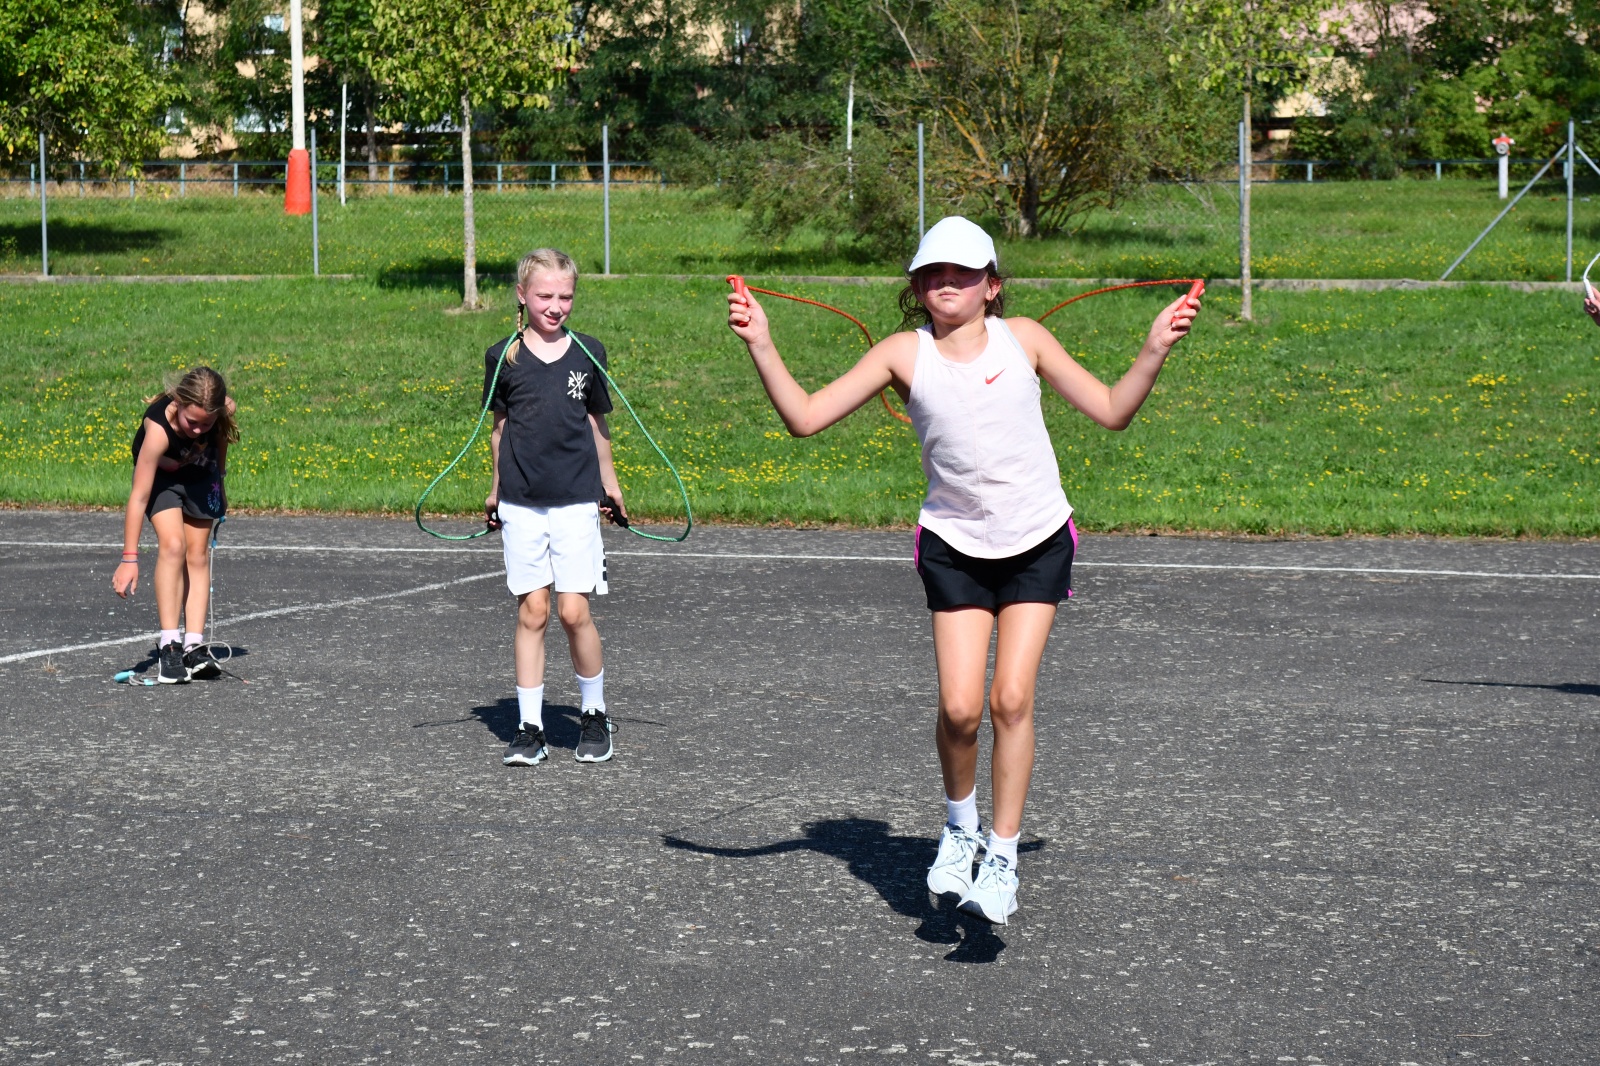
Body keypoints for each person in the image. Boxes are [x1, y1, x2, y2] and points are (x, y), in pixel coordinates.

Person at [726, 216, 1202, 924]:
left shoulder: (1025, 339)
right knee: (959, 709)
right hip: (953, 545)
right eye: (933, 274)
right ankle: (960, 829)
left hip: (1037, 540)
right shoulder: (902, 353)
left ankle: (1001, 859)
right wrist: (762, 343)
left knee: (1010, 699)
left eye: (963, 274)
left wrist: (1154, 348)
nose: (946, 283)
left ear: (992, 286)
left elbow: (1111, 410)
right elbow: (804, 417)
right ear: (917, 287)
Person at [486, 249, 627, 767]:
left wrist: (610, 486)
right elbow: (499, 429)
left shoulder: (588, 352)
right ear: (522, 295)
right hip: (522, 503)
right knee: (533, 611)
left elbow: (597, 425)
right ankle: (530, 728)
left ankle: (594, 714)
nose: (555, 305)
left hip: (575, 500)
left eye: (565, 296)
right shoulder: (503, 357)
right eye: (544, 295)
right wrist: (496, 490)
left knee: (573, 611)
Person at [112, 366, 238, 683]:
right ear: (179, 402)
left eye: (205, 424)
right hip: (161, 479)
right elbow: (139, 497)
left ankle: (194, 648)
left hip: (198, 473)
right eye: (191, 421)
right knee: (173, 545)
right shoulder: (158, 430)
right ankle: (170, 646)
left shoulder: (221, 411)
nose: (198, 429)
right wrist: (129, 559)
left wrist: (220, 482)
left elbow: (221, 438)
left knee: (197, 554)